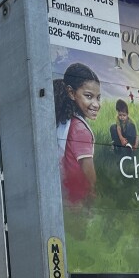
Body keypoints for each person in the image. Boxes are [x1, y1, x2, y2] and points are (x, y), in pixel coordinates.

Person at [54, 63, 101, 204]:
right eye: (88, 96)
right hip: (77, 204)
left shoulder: (64, 121)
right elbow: (90, 180)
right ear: (71, 93)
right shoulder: (80, 130)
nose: (96, 104)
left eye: (98, 98)